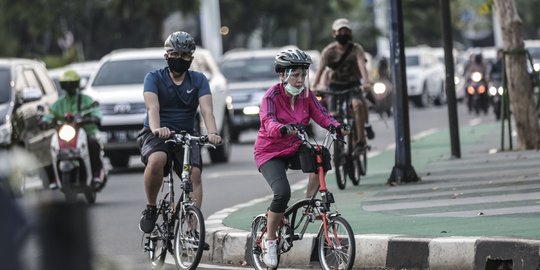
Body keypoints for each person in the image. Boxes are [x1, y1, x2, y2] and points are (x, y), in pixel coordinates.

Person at [254, 48, 349, 267]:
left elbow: (322, 115)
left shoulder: (306, 95)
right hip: (270, 151)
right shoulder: (271, 96)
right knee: (282, 193)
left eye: (303, 74)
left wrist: (337, 127)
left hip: (294, 147)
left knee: (320, 155)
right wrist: (282, 128)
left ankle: (308, 204)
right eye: (295, 74)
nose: (300, 80)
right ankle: (269, 241)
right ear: (282, 75)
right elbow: (268, 122)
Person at [137, 31, 221, 245]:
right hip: (156, 133)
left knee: (194, 175)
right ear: (166, 55)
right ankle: (151, 207)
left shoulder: (199, 80)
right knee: (157, 159)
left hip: (186, 136)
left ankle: (191, 231)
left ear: (191, 58)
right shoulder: (153, 78)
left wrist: (212, 133)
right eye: (175, 54)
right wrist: (157, 129)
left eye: (185, 56)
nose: (180, 59)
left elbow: (207, 111)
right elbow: (152, 107)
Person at [312, 18, 375, 148]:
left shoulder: (356, 49)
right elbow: (320, 70)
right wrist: (314, 87)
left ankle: (361, 141)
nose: (343, 34)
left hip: (353, 85)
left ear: (350, 33)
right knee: (333, 116)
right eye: (340, 31)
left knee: (357, 105)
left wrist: (366, 82)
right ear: (334, 34)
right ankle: (338, 150)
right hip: (334, 87)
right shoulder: (328, 51)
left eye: (346, 31)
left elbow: (362, 66)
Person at [41, 70, 105, 190]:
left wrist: (93, 118)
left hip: (84, 132)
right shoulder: (58, 103)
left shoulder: (86, 100)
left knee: (93, 143)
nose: (69, 86)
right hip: (64, 134)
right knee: (47, 147)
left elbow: (95, 111)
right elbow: (50, 114)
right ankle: (52, 178)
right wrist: (45, 121)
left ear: (77, 84)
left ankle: (97, 175)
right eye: (66, 84)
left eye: (71, 83)